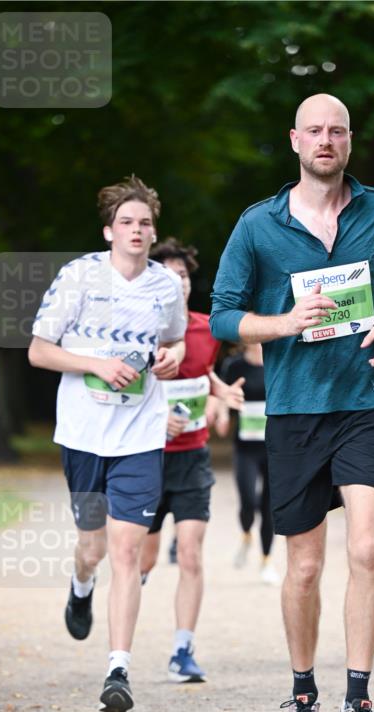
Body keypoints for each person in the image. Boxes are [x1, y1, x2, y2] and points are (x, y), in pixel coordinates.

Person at [210, 93, 374, 712]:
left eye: (337, 130)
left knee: (365, 550)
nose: (325, 140)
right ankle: (303, 690)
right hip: (295, 411)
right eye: (314, 130)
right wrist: (283, 324)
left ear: (348, 141)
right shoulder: (257, 226)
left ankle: (357, 701)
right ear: (295, 140)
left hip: (363, 403)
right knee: (303, 567)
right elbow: (220, 316)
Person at [28, 176, 186, 712]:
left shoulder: (165, 285)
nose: (137, 230)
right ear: (109, 230)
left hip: (140, 434)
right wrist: (95, 363)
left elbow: (175, 341)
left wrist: (171, 357)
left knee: (127, 549)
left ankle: (118, 668)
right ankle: (80, 582)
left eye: (145, 223)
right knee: (94, 547)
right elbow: (39, 351)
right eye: (127, 222)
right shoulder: (78, 278)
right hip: (83, 434)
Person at [139, 238, 244, 682]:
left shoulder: (206, 329)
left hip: (192, 458)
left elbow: (201, 371)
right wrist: (154, 421)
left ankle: (183, 651)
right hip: (142, 459)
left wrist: (222, 390)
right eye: (165, 275)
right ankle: (127, 589)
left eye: (181, 275)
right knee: (141, 560)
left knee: (191, 554)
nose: (176, 282)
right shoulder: (135, 329)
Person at [217, 343, 279, 585]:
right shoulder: (235, 366)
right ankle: (245, 535)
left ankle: (266, 560)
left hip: (273, 449)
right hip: (245, 448)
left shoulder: (277, 359)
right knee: (248, 502)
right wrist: (222, 416)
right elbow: (223, 394)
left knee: (268, 506)